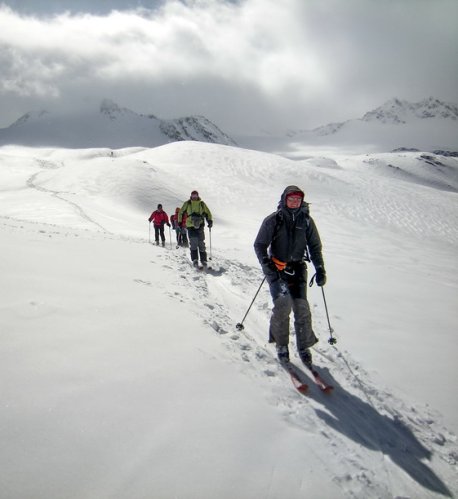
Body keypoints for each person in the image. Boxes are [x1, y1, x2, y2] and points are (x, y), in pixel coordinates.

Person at [254, 185, 327, 365]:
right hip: (277, 269)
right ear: (284, 199)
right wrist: (267, 263)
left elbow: (315, 247)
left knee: (302, 308)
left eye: (298, 199)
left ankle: (304, 345)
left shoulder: (307, 221)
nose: (294, 202)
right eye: (291, 199)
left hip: (298, 268)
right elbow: (259, 244)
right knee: (283, 306)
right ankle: (281, 344)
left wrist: (320, 269)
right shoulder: (274, 220)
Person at [178, 190, 213, 266]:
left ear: (197, 196)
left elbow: (208, 213)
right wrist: (180, 222)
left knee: (201, 243)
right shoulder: (187, 203)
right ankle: (195, 259)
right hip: (190, 226)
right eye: (193, 196)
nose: (194, 197)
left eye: (195, 196)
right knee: (194, 243)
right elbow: (181, 212)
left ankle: (203, 260)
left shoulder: (202, 204)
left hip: (200, 225)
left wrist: (209, 220)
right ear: (191, 196)